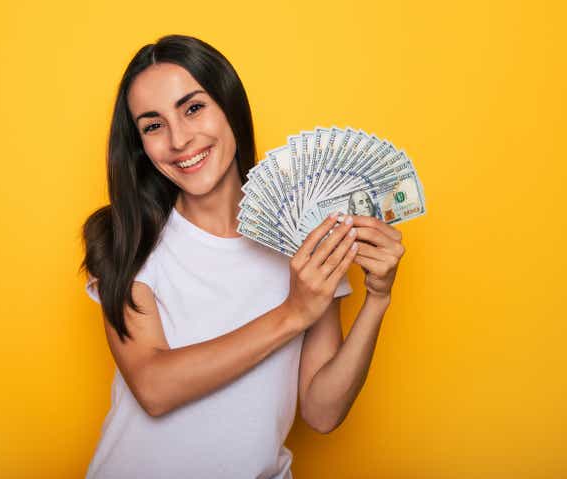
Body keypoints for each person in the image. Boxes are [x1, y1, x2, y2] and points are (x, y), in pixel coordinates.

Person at [80, 34, 406, 479]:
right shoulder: (127, 239)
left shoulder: (305, 240)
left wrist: (378, 299)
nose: (179, 139)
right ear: (140, 145)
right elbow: (154, 386)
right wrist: (294, 312)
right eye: (153, 125)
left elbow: (322, 411)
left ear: (230, 107)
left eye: (193, 108)